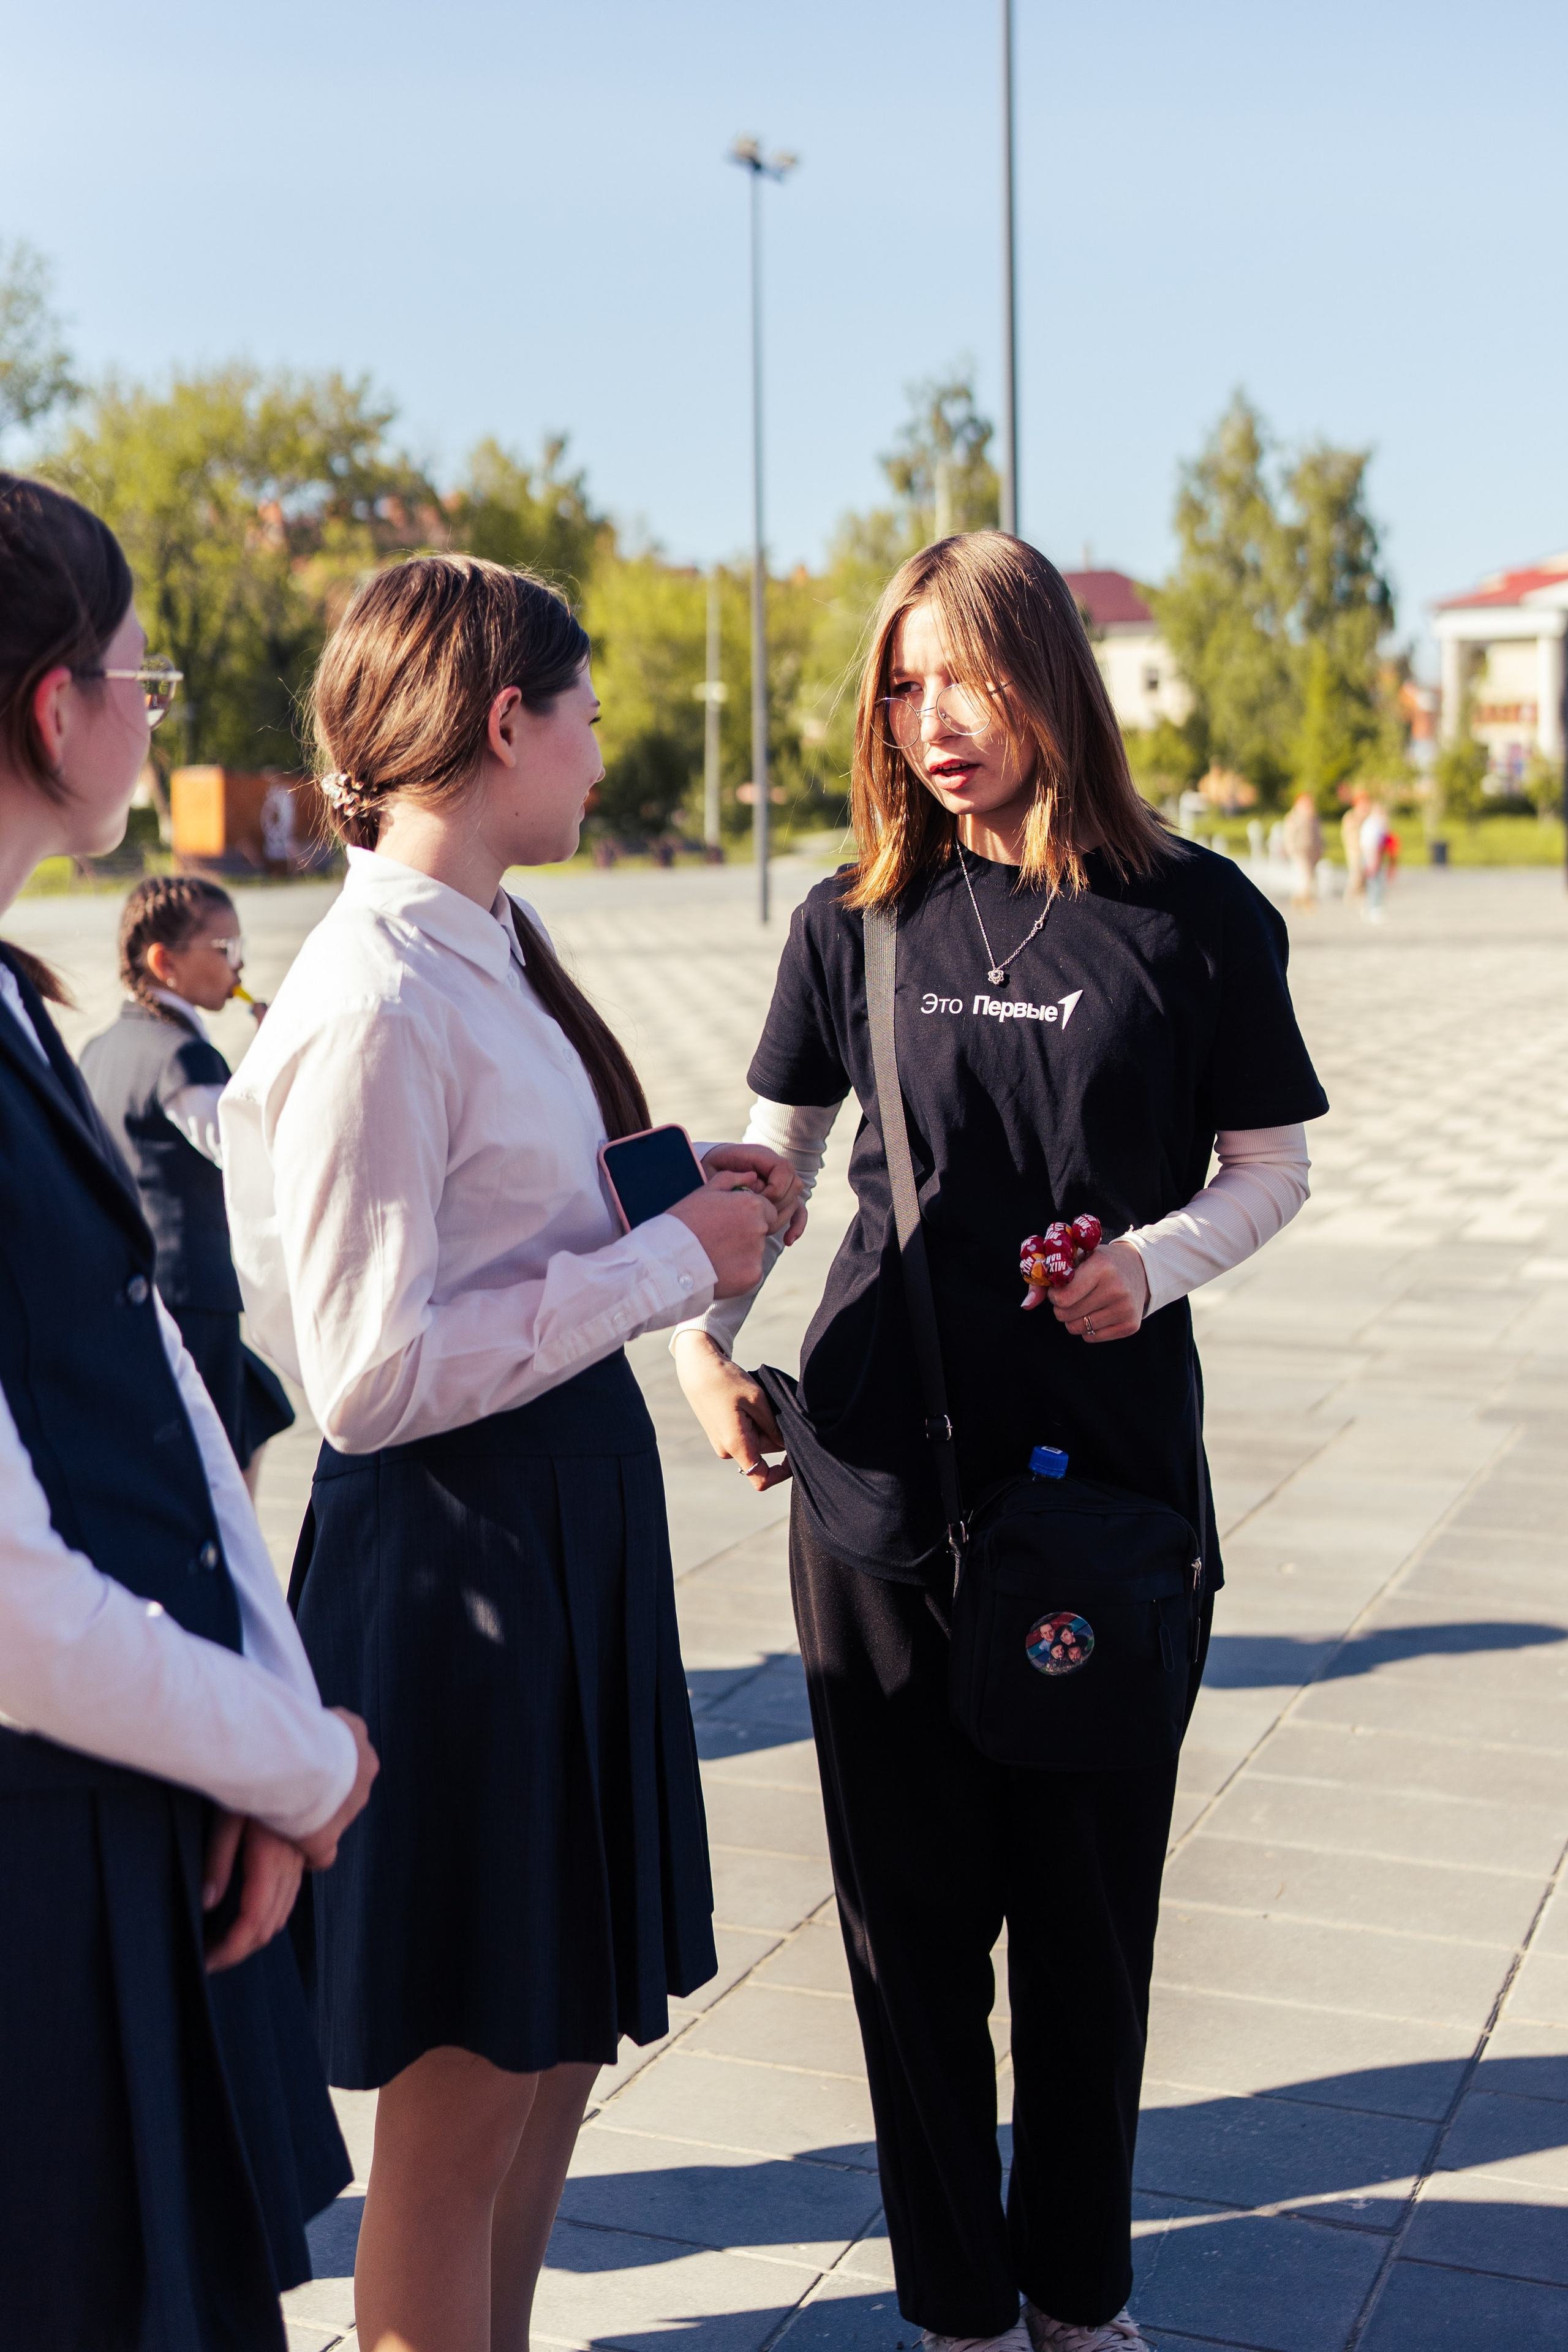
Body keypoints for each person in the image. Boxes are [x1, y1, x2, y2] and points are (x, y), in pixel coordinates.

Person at [673, 532, 1328, 2352]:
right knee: (908, 1937)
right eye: (900, 684)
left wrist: (1152, 1260)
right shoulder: (853, 917)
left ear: (1052, 674)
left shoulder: (1195, 917)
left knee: (1089, 1925)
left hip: (1108, 1506)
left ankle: (1077, 2294)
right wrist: (701, 1350)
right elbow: (773, 1173)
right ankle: (956, 2309)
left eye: (963, 676)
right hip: (881, 1492)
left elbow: (1268, 1167)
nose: (932, 720)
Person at [220, 553, 804, 2352]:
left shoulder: (482, 946)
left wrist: (676, 1202)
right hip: (460, 1564)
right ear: (502, 723)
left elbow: (503, 1229)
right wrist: (656, 1268)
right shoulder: (370, 993)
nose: (601, 745)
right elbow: (368, 1366)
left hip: (549, 1525)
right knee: (465, 2092)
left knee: (551, 2042)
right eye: (588, 714)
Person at [0, 470, 379, 2349]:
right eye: (140, 681)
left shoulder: (11, 997)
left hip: (128, 1813)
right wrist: (294, 1758)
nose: (154, 718)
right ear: (55, 709)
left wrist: (260, 1718)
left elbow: (143, 1373)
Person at [81, 875, 295, 1494]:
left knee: (253, 1416)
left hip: (133, 1292)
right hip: (191, 1296)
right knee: (211, 1472)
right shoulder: (184, 1059)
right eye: (225, 947)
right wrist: (283, 1064)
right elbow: (254, 1157)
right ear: (164, 962)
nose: (239, 963)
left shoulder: (102, 1048)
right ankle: (227, 1584)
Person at [1280, 791, 1322, 909]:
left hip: (1312, 852)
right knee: (1305, 876)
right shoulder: (1294, 817)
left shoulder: (1313, 817)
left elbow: (1318, 835)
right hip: (1300, 851)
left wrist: (1320, 849)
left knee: (1311, 877)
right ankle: (1306, 901)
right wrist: (1291, 849)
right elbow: (1289, 834)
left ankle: (1298, 899)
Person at [1359, 797, 1392, 921]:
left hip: (1376, 856)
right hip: (1371, 856)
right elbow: (1369, 845)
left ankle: (1371, 907)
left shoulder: (1377, 824)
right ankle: (1373, 909)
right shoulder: (1372, 824)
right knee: (1375, 884)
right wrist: (1372, 861)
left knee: (1375, 883)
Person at [1340, 787, 1368, 899]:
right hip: (1355, 850)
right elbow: (1350, 835)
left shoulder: (1368, 817)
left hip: (1366, 850)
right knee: (1356, 874)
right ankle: (1349, 896)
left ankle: (1362, 896)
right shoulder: (1350, 817)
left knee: (1365, 876)